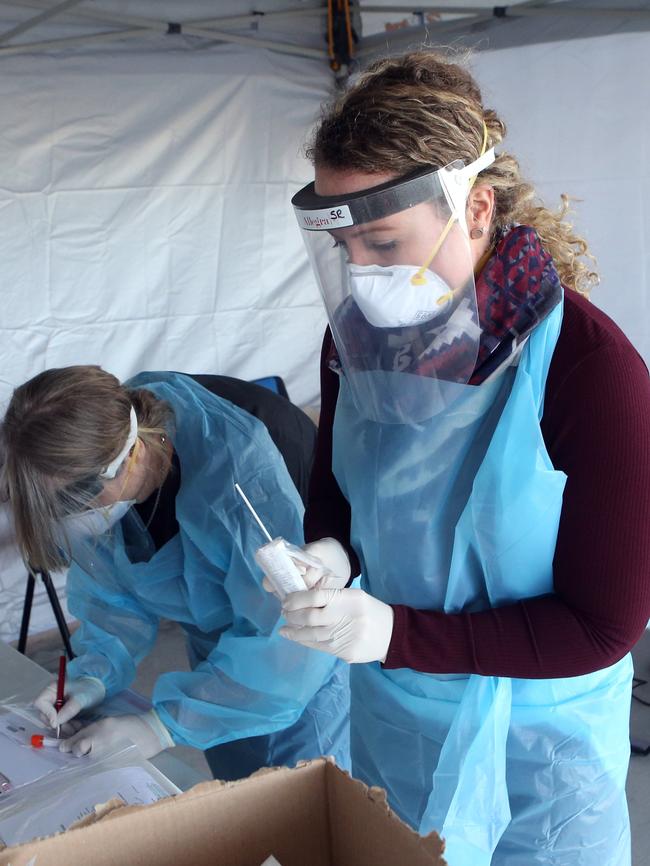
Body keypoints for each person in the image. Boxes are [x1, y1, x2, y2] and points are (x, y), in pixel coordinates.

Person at [274, 52, 650, 865]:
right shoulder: (356, 345)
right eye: (345, 248)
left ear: (475, 209)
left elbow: (605, 623)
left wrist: (394, 631)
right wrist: (330, 549)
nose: (362, 274)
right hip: (398, 714)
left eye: (382, 241)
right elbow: (339, 484)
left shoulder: (590, 369)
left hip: (539, 748)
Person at [0, 368, 349, 780]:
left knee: (305, 798)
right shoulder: (94, 454)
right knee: (238, 789)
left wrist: (160, 726)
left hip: (304, 655)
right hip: (221, 646)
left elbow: (288, 645)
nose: (72, 515)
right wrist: (95, 672)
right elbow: (110, 594)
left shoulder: (240, 480)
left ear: (129, 457)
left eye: (76, 499)